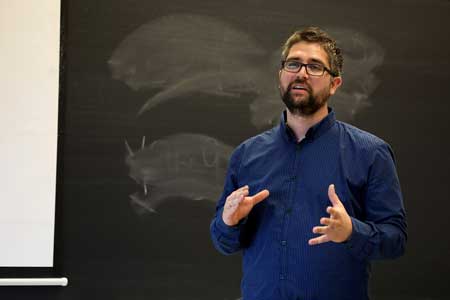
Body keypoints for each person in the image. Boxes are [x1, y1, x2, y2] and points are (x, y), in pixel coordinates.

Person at [209, 27, 407, 300]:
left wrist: (352, 231)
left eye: (315, 67)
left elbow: (395, 240)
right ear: (281, 75)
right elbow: (223, 242)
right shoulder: (246, 155)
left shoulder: (370, 153)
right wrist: (228, 221)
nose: (301, 73)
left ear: (335, 84)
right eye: (293, 64)